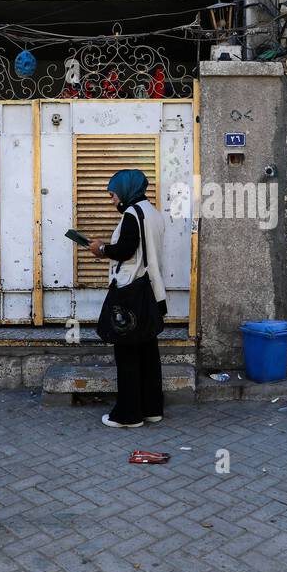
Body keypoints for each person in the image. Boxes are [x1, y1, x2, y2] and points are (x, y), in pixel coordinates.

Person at [88, 169, 167, 429]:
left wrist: (100, 249)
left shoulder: (133, 215)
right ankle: (152, 409)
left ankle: (129, 415)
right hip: (152, 290)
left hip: (131, 291)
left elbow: (125, 250)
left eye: (113, 195)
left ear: (125, 191)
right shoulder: (153, 213)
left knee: (127, 354)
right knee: (148, 352)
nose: (112, 200)